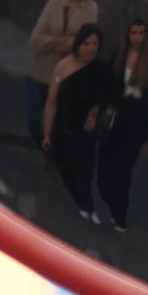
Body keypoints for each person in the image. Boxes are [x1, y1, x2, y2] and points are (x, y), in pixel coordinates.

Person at [95, 18, 148, 233]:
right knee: (104, 173)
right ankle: (113, 205)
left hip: (135, 126)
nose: (137, 37)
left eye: (141, 32)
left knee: (123, 174)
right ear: (127, 34)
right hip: (114, 120)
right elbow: (106, 85)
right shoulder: (118, 53)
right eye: (133, 32)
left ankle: (119, 216)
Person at [42, 23, 110, 223]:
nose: (91, 48)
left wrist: (96, 116)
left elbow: (108, 101)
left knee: (86, 170)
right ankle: (79, 202)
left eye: (95, 44)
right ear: (79, 44)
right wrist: (47, 134)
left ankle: (87, 206)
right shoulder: (63, 67)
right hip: (64, 129)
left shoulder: (101, 69)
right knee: (68, 168)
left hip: (86, 130)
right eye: (87, 43)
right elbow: (51, 104)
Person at [24, 0, 98, 147]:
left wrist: (52, 41)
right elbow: (35, 39)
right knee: (33, 121)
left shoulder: (90, 8)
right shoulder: (54, 4)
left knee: (58, 122)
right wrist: (63, 41)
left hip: (67, 76)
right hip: (41, 72)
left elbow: (84, 41)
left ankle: (52, 154)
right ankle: (42, 144)